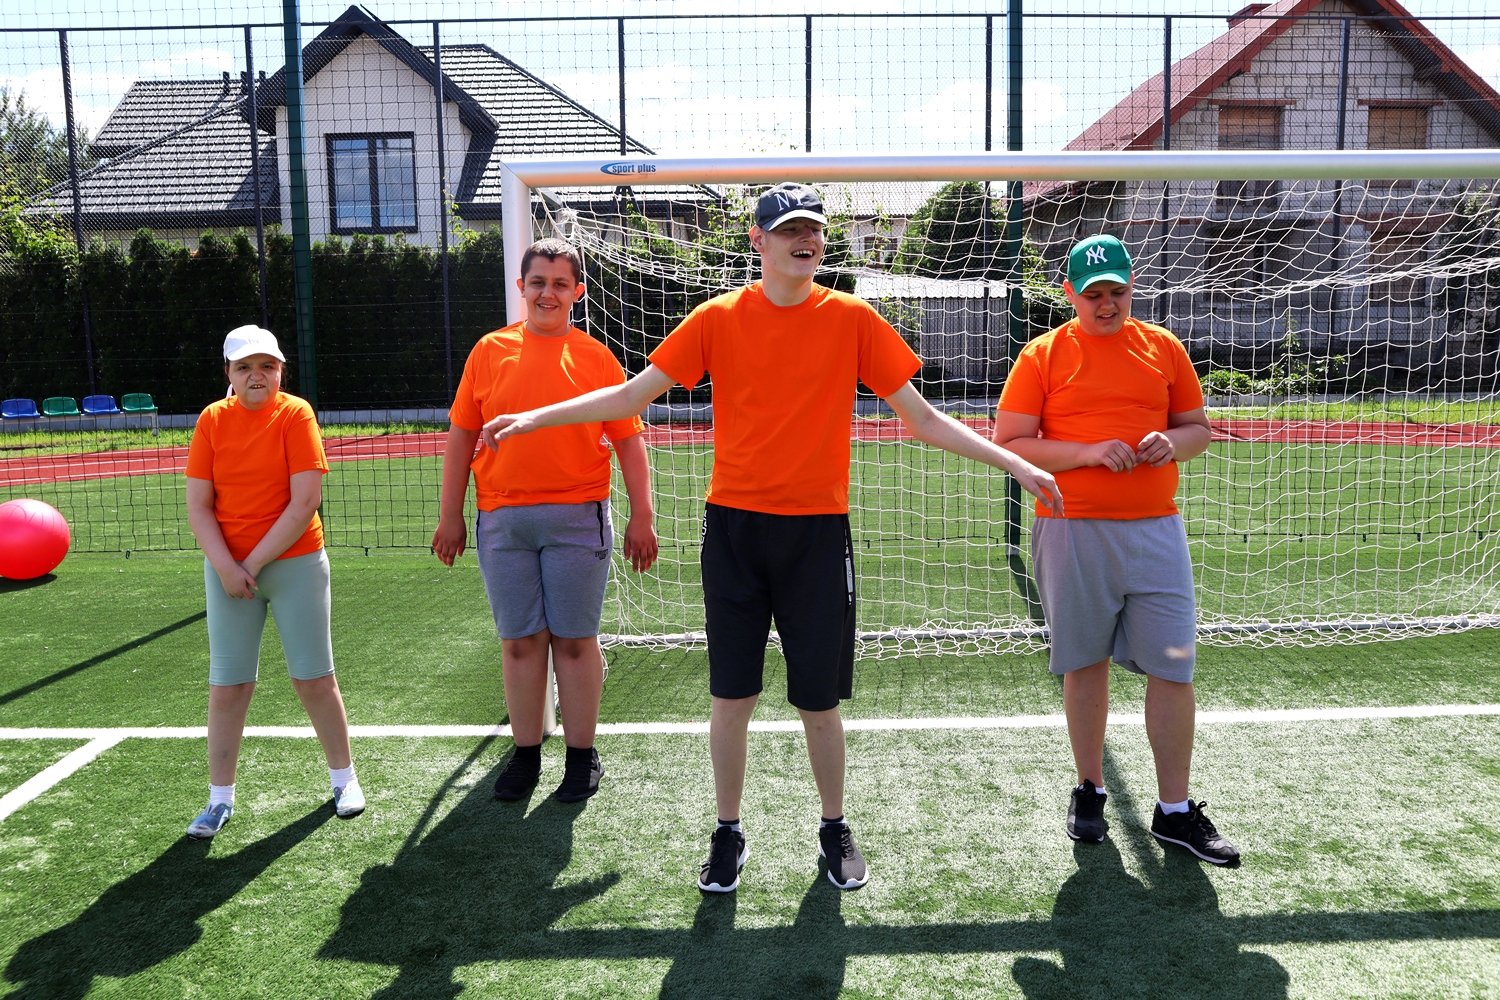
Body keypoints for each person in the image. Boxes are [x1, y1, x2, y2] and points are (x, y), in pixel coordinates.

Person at [480, 183, 1062, 892]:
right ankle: (727, 831)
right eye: (788, 229)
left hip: (816, 537)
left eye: (812, 227)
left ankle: (833, 826)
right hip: (735, 534)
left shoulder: (852, 318)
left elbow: (923, 419)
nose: (804, 239)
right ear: (758, 240)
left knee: (819, 702)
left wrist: (1016, 462)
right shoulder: (718, 318)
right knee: (732, 697)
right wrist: (534, 418)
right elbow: (631, 396)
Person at [992, 234, 1240, 866]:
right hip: (1071, 529)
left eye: (1118, 292)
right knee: (1085, 663)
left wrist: (1171, 443)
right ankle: (1090, 789)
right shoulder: (1043, 355)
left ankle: (1174, 811)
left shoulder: (1164, 347)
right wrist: (1087, 452)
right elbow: (1011, 444)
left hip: (1156, 530)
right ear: (1070, 294)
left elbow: (1198, 430)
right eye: (1093, 294)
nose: (1107, 305)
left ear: (1133, 289)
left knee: (1174, 667)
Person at [432, 237, 658, 804]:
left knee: (575, 642)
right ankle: (526, 753)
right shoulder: (489, 351)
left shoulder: (596, 358)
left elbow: (628, 441)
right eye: (538, 282)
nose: (547, 293)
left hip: (578, 518)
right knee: (520, 643)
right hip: (502, 521)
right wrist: (450, 514)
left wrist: (643, 516)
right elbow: (461, 435)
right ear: (521, 287)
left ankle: (582, 756)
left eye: (560, 284)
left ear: (577, 292)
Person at [183, 324, 364, 839]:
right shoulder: (211, 420)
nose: (256, 375)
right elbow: (199, 506)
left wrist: (252, 565)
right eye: (244, 367)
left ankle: (344, 779)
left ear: (281, 370)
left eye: (267, 365)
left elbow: (304, 502)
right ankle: (219, 799)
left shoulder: (296, 414)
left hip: (294, 564)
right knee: (229, 686)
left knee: (314, 679)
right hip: (229, 573)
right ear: (229, 373)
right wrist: (226, 568)